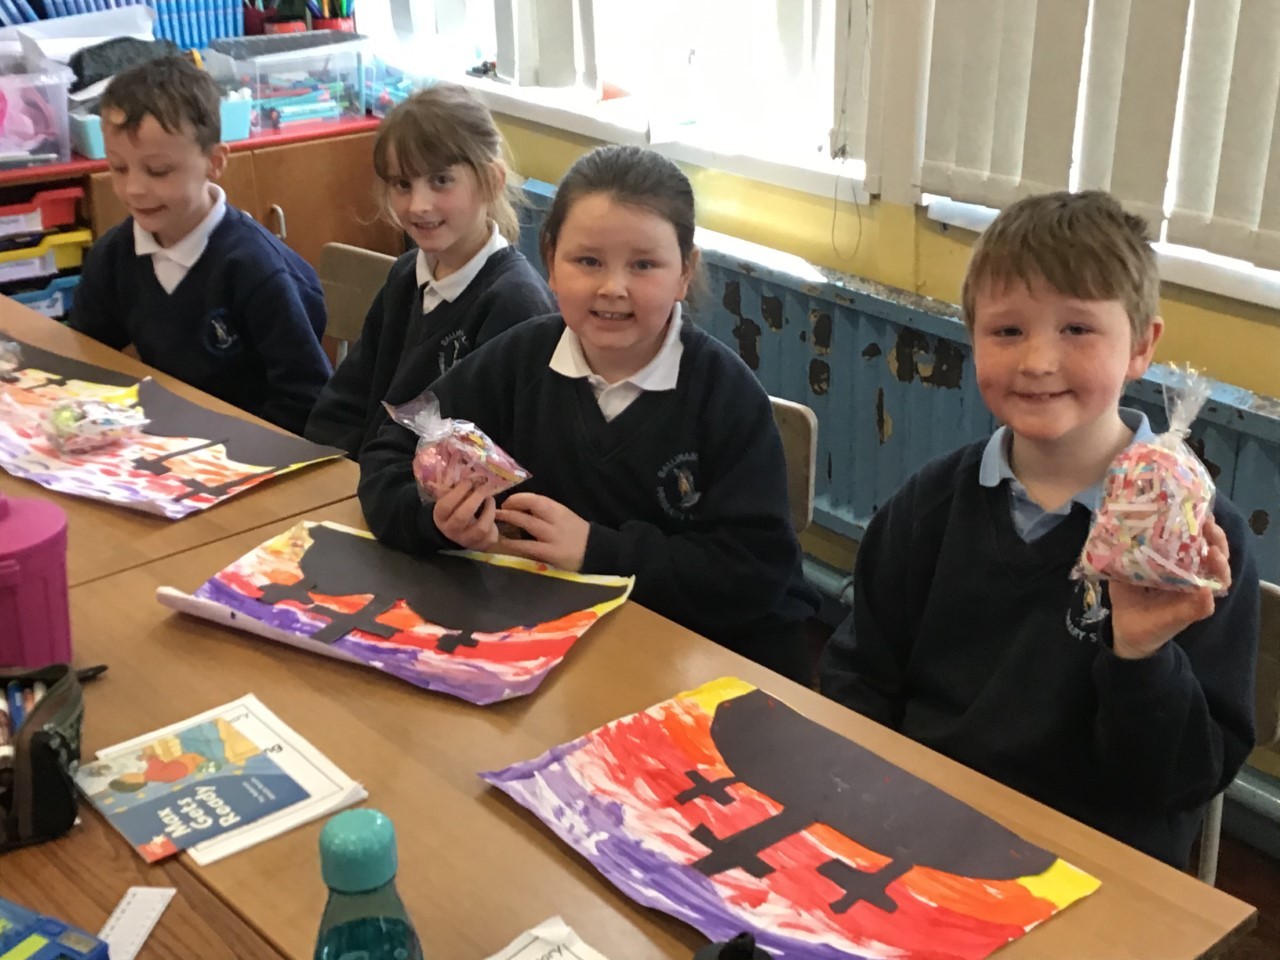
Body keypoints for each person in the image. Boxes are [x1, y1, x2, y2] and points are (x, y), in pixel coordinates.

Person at [819, 190, 1259, 868]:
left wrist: (1141, 656)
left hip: (1091, 870)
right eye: (1007, 331)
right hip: (916, 830)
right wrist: (866, 810)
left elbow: (1177, 787)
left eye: (1077, 330)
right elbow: (860, 677)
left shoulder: (1193, 542)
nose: (1036, 362)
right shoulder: (931, 504)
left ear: (1142, 345)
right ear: (973, 339)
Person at [358, 144, 820, 681]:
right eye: (588, 261)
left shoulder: (723, 394)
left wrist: (599, 552)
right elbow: (388, 452)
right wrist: (435, 519)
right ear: (550, 262)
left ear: (684, 272)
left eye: (644, 264)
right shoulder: (519, 359)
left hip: (698, 665)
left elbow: (754, 571)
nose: (612, 288)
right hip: (552, 642)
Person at [69, 57, 330, 436]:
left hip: (251, 454)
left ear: (215, 162)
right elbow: (86, 354)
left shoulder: (256, 270)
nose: (134, 189)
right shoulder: (114, 254)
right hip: (162, 438)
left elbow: (307, 400)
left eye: (158, 171)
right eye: (118, 168)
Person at [304, 84, 554, 457]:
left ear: (491, 181)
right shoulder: (406, 276)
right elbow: (344, 406)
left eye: (441, 181)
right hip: (366, 489)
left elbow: (480, 460)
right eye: (403, 184)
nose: (418, 205)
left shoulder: (515, 304)